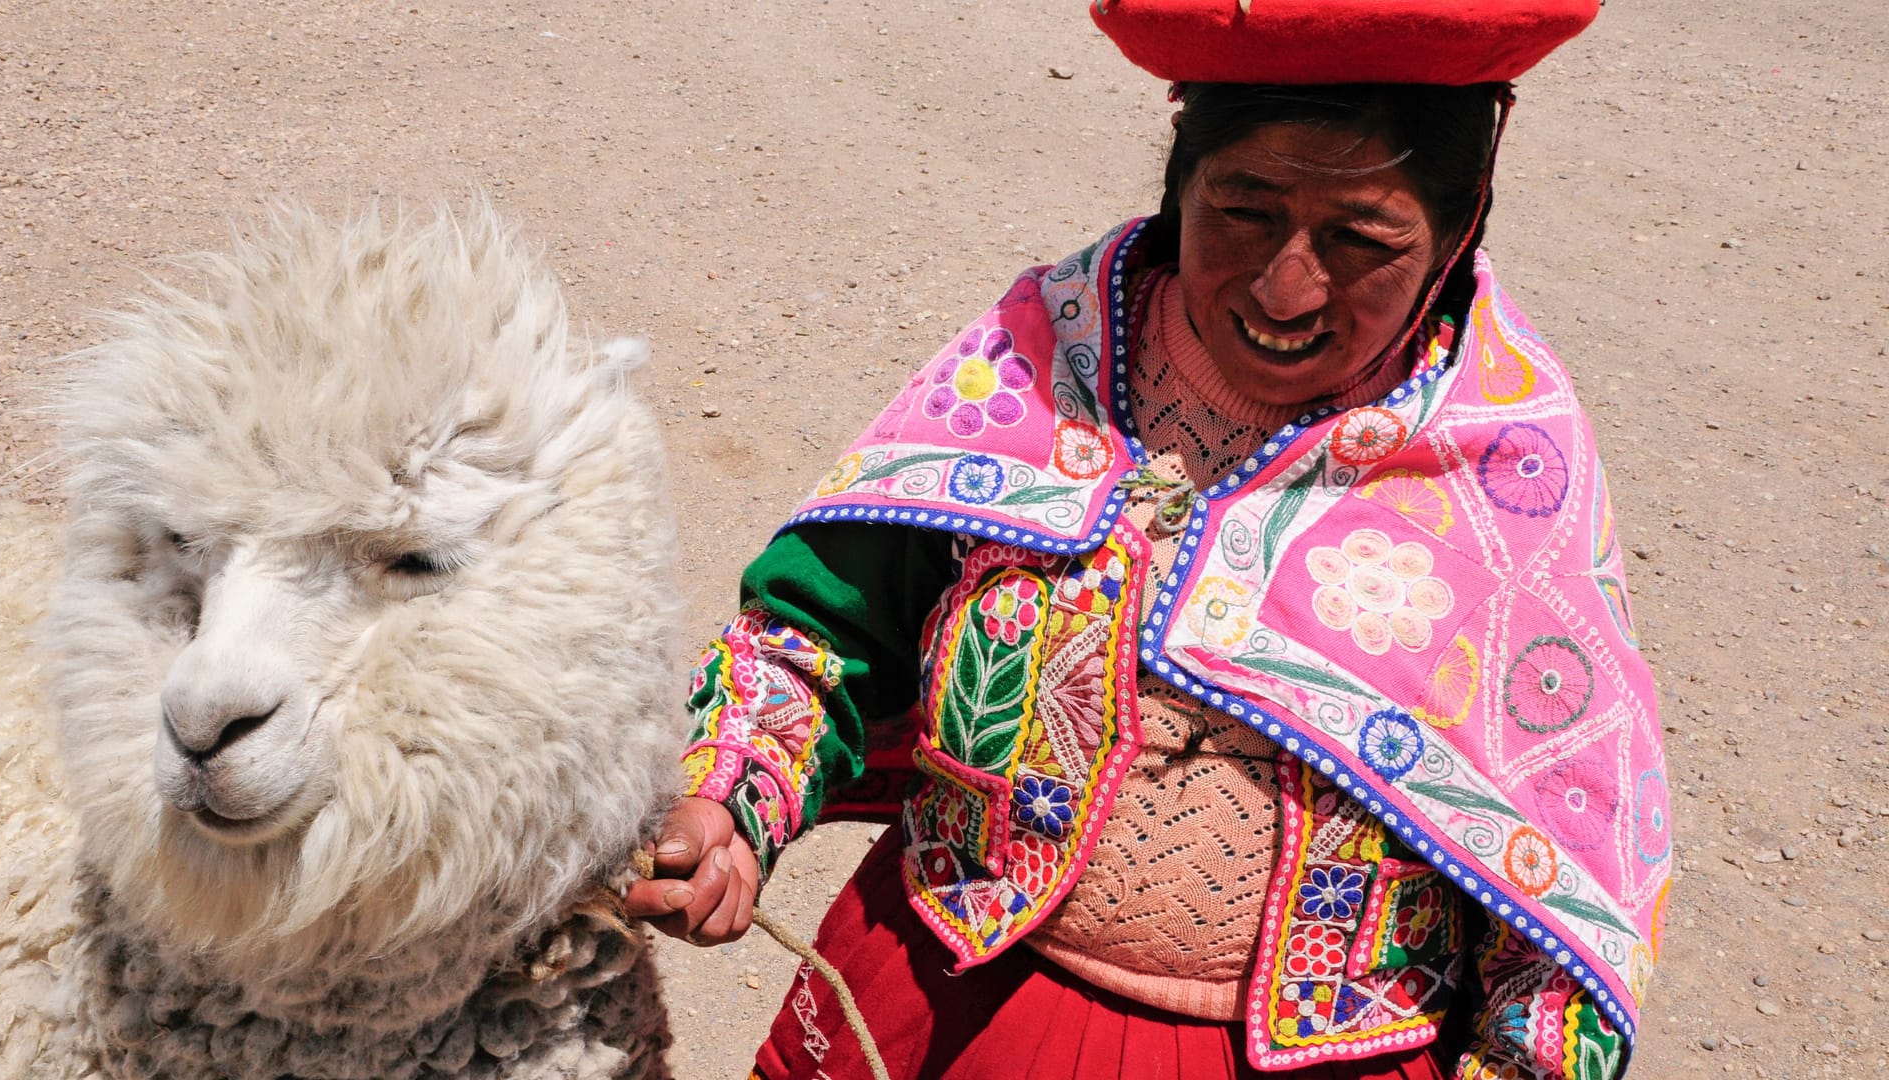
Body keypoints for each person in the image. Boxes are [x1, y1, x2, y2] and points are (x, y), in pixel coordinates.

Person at [626, 2, 1669, 1077]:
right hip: (938, 997)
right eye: (1244, 210)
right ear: (1180, 183)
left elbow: (1566, 874)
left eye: (1362, 240)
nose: (1285, 288)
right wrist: (727, 803)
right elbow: (816, 636)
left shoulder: (1502, 468)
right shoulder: (1043, 362)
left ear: (1459, 230)